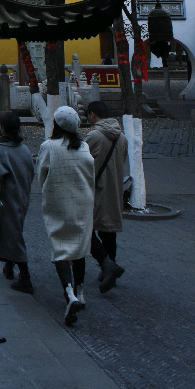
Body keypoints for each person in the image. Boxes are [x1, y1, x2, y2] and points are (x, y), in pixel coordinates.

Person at [37, 105, 95, 326]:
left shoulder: (49, 147)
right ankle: (80, 291)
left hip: (58, 202)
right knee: (79, 248)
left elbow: (41, 175)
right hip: (83, 203)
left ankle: (69, 293)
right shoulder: (85, 147)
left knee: (61, 248)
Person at [0, 111, 35, 294]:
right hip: (23, 196)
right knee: (12, 231)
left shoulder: (0, 151)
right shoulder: (24, 149)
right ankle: (8, 266)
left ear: (2, 128)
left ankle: (25, 275)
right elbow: (31, 172)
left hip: (7, 200)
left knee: (13, 235)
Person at [86, 100, 128, 292]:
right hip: (115, 190)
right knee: (109, 232)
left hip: (96, 190)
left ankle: (106, 265)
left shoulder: (94, 136)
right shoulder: (123, 138)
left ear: (93, 115)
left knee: (87, 230)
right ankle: (110, 268)